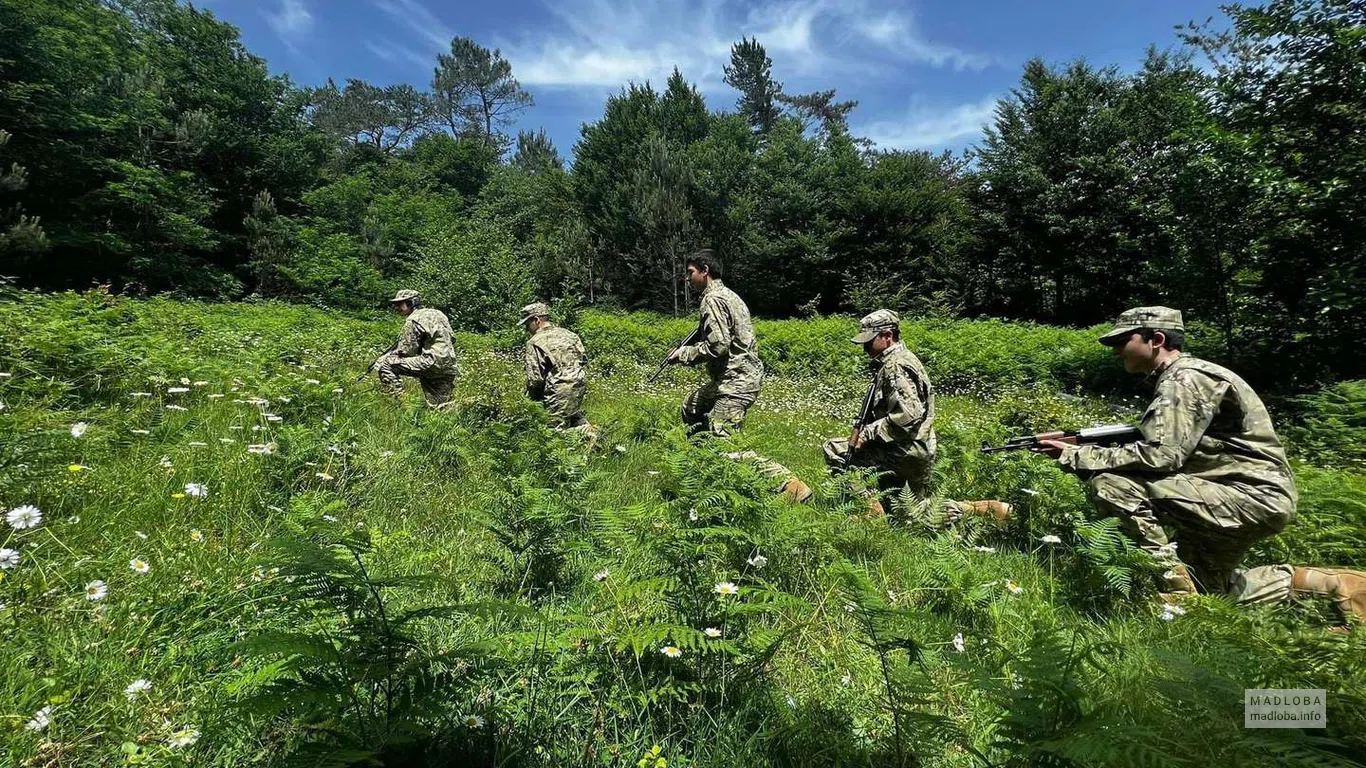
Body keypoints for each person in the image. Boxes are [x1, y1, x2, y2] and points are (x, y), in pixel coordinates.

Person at [1033, 306, 1363, 625]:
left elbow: (1162, 456)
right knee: (1213, 593)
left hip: (1245, 497)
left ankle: (1172, 597)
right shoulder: (1187, 377)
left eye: (1123, 341)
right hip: (1244, 497)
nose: (1117, 350)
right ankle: (1331, 585)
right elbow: (1173, 446)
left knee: (1112, 484)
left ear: (1156, 340)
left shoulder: (1186, 378)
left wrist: (1074, 455)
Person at [822, 309, 1010, 520]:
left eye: (869, 340)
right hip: (914, 448)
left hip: (903, 450)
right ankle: (985, 510)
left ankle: (871, 514)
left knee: (835, 449)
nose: (865, 348)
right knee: (910, 513)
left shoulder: (896, 366)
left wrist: (867, 434)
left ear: (888, 335)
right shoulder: (899, 361)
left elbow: (908, 416)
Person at [665, 249, 764, 436]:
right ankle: (700, 455)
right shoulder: (730, 295)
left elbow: (718, 346)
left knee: (726, 447)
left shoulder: (713, 299)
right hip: (733, 379)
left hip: (736, 383)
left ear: (705, 271)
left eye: (690, 272)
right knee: (691, 407)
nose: (687, 278)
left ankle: (769, 467)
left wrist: (684, 354)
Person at [373, 289, 458, 407]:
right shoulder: (439, 314)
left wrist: (389, 355)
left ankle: (405, 406)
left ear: (411, 303)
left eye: (400, 304)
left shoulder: (413, 319)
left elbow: (407, 351)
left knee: (386, 365)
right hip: (449, 365)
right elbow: (452, 339)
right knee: (440, 405)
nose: (396, 308)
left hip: (430, 363)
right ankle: (463, 411)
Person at [521, 302, 589, 428]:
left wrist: (529, 401)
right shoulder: (570, 335)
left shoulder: (534, 342)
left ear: (536, 320)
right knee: (574, 418)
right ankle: (592, 437)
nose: (526, 328)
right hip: (579, 385)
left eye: (527, 324)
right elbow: (583, 359)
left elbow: (535, 379)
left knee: (555, 432)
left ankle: (590, 439)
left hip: (557, 389)